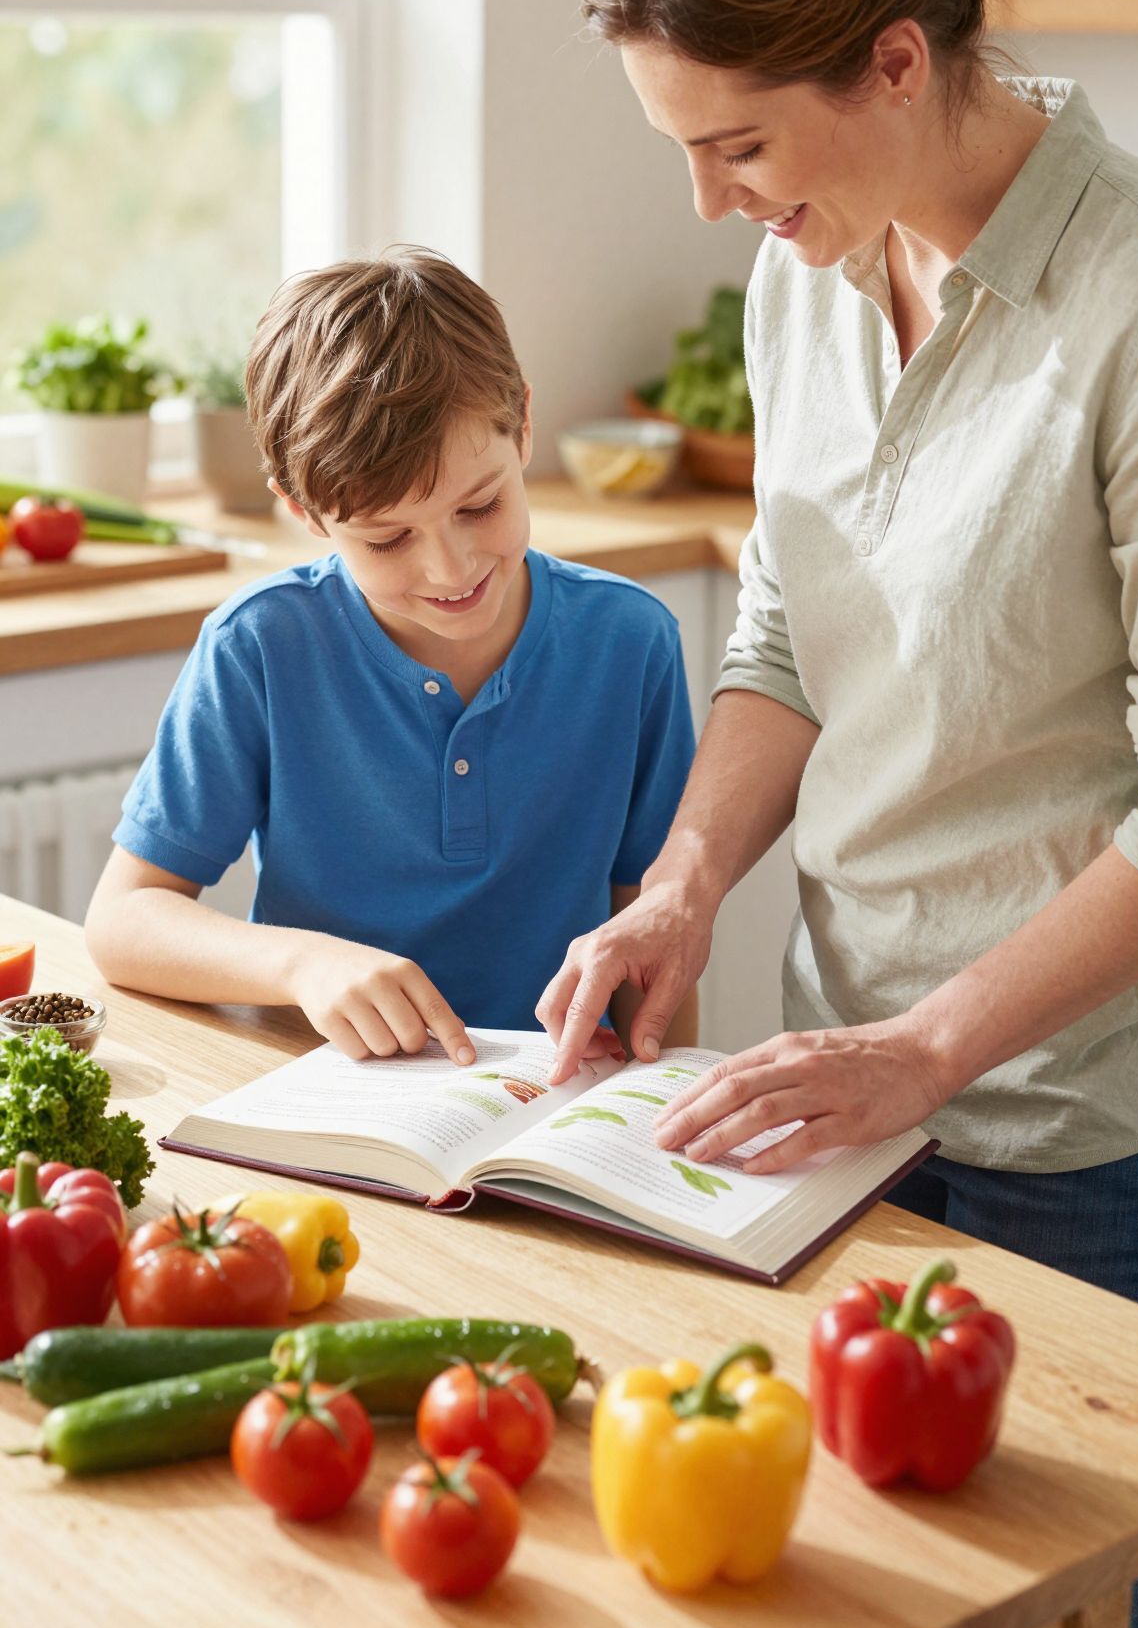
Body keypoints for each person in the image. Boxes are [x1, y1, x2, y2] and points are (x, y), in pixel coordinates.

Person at [535, 0, 1138, 1628]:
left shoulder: (1133, 308)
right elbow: (789, 629)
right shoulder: (811, 270)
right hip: (852, 1123)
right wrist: (686, 884)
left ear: (898, 62)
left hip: (1091, 1145)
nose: (715, 204)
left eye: (737, 142)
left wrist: (925, 1047)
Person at [86, 247, 698, 1065]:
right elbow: (123, 921)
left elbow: (654, 934)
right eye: (387, 538)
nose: (450, 568)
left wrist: (661, 1091)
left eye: (478, 506)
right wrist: (303, 962)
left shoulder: (630, 642)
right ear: (305, 513)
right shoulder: (262, 647)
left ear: (522, 426)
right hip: (325, 1099)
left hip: (549, 1110)